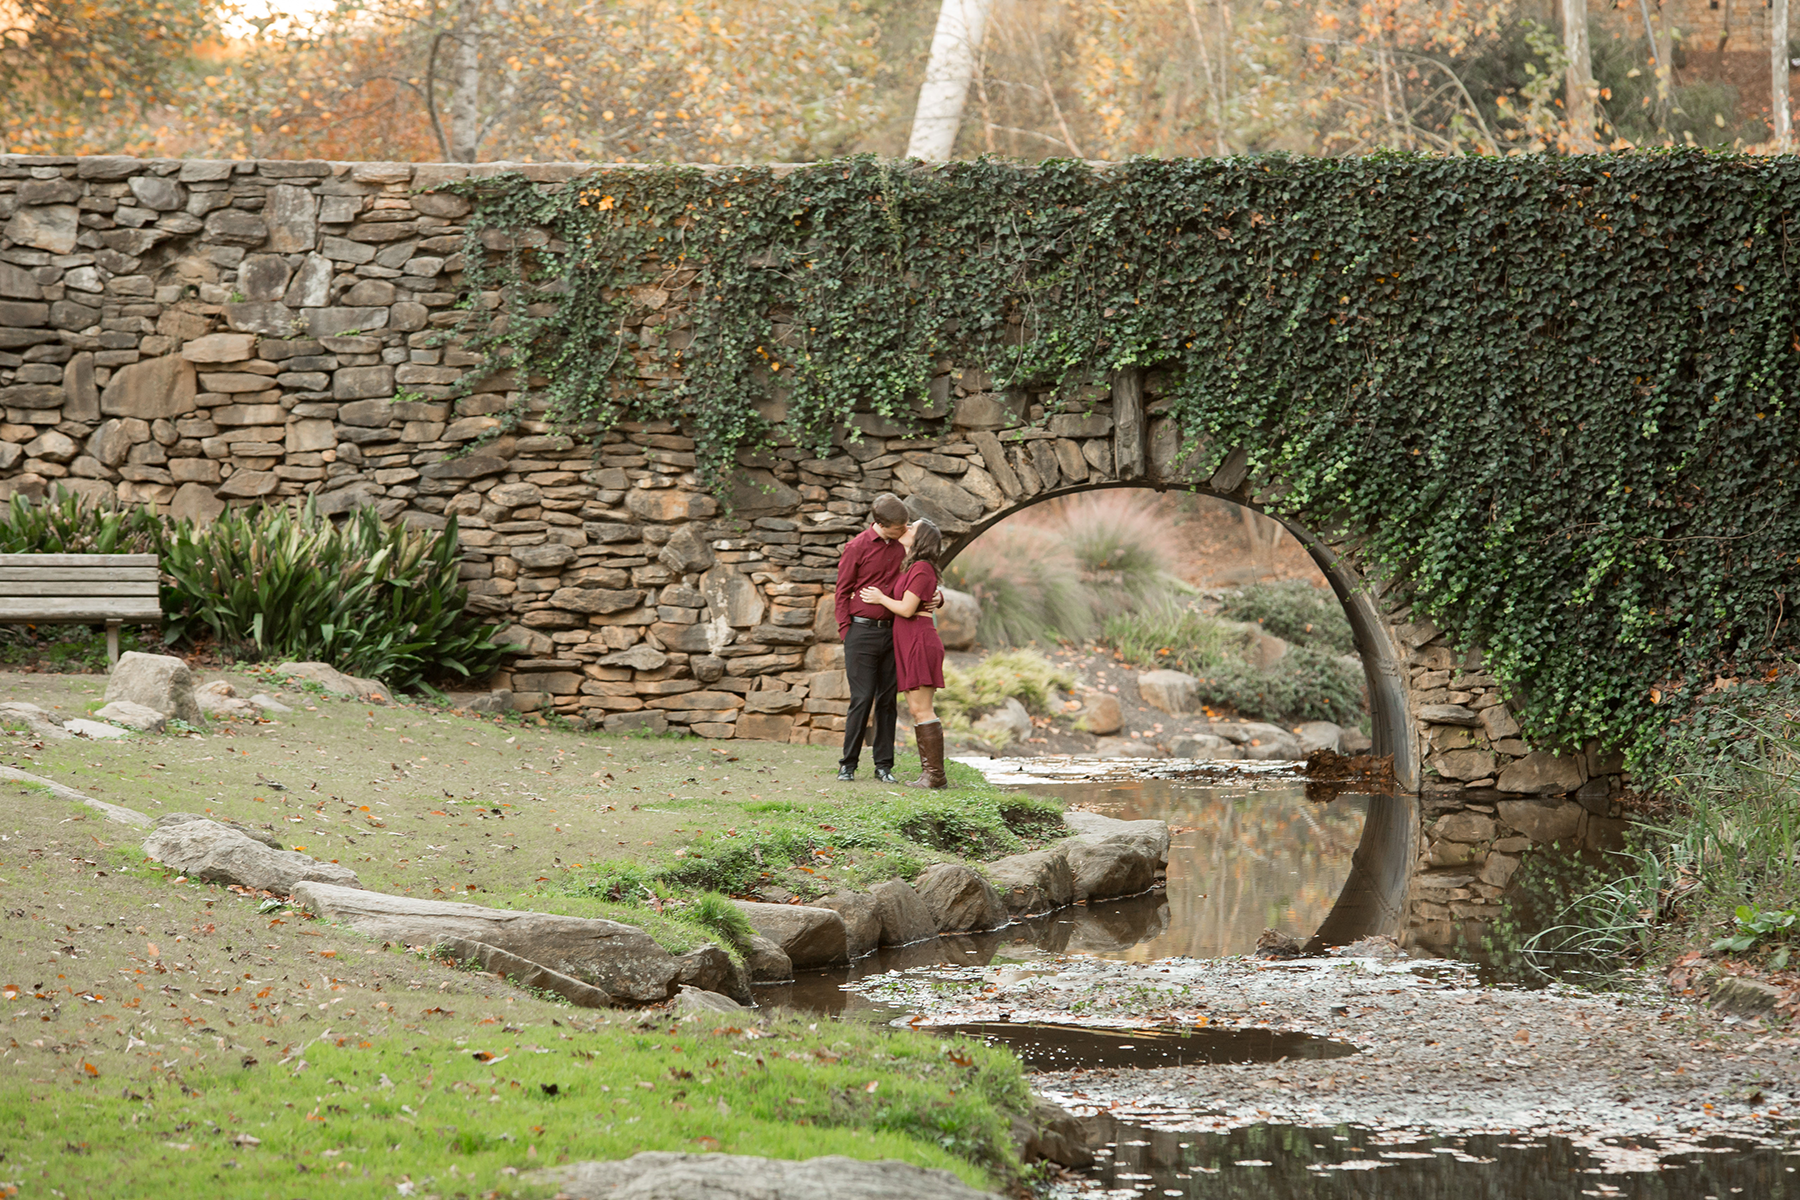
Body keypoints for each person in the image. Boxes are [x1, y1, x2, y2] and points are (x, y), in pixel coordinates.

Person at [858, 518, 948, 789]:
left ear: (920, 540)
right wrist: (939, 596)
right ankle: (929, 774)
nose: (905, 529)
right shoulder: (913, 566)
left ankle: (935, 776)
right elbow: (923, 594)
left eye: (912, 528)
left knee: (922, 709)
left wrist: (880, 599)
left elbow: (908, 609)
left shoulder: (921, 568)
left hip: (919, 641)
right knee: (916, 708)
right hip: (910, 641)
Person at [833, 493, 912, 782]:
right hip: (861, 632)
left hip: (894, 633)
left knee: (888, 700)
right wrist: (846, 630)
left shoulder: (904, 547)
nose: (904, 530)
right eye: (899, 527)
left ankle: (883, 766)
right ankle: (848, 764)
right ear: (880, 524)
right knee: (862, 698)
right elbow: (842, 591)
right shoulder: (857, 547)